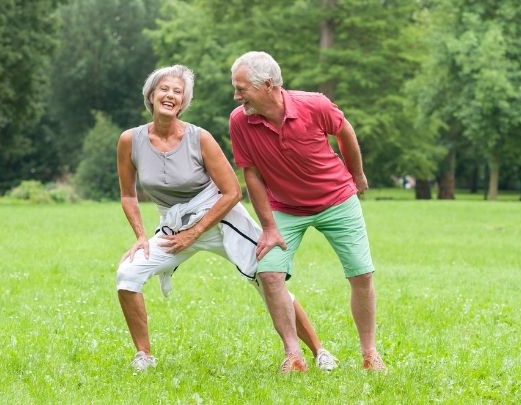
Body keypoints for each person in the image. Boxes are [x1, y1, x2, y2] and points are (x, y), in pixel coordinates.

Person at [115, 64, 337, 373]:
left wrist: (195, 233)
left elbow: (232, 191)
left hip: (220, 218)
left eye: (177, 92)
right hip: (174, 227)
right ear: (151, 95)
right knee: (127, 274)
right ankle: (144, 355)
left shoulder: (199, 138)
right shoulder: (130, 140)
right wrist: (141, 236)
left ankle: (319, 351)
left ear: (184, 102)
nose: (170, 96)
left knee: (268, 279)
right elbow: (128, 195)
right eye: (164, 89)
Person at [229, 52, 387, 372]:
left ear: (269, 85)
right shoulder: (240, 121)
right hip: (285, 208)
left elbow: (345, 132)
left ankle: (370, 354)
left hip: (337, 199)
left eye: (242, 88)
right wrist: (269, 226)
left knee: (361, 274)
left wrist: (356, 175)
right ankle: (293, 354)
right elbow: (252, 174)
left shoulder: (315, 105)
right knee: (269, 274)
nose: (236, 95)